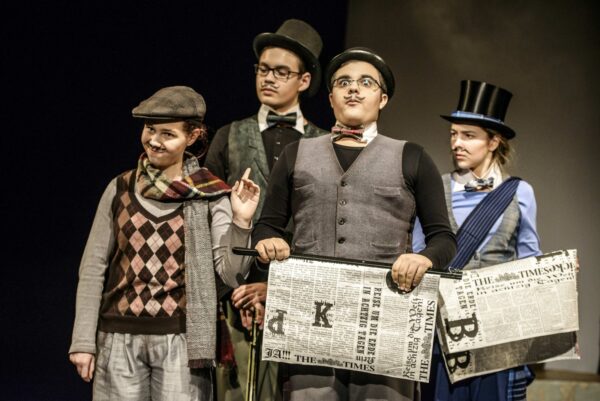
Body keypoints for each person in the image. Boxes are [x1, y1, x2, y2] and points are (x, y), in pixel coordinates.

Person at [251, 47, 456, 401]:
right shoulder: (296, 154)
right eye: (343, 82)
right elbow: (267, 226)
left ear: (383, 98)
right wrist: (269, 242)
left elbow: (443, 238)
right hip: (309, 323)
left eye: (366, 83)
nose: (354, 89)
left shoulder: (412, 157)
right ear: (331, 97)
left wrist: (424, 258)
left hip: (385, 321)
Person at [68, 86, 260, 400]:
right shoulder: (121, 188)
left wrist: (241, 221)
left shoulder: (210, 194)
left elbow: (230, 274)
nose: (154, 140)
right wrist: (83, 342)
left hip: (182, 342)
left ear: (193, 136)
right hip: (117, 338)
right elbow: (93, 268)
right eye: (150, 129)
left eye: (167, 134)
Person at [204, 19, 328, 401]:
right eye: (263, 69)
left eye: (281, 72)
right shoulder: (229, 135)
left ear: (304, 80)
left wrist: (278, 288)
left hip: (299, 297)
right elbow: (209, 216)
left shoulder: (324, 143)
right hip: (234, 294)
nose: (269, 78)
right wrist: (235, 287)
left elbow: (324, 228)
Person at [413, 80, 541, 401]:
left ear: (494, 141)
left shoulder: (520, 192)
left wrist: (555, 271)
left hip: (497, 331)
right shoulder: (435, 187)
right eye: (453, 134)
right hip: (444, 333)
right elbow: (418, 252)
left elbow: (530, 262)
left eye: (468, 135)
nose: (457, 143)